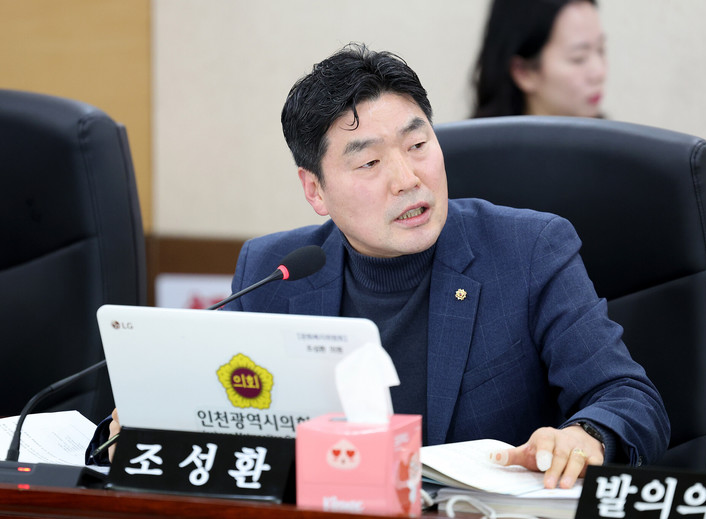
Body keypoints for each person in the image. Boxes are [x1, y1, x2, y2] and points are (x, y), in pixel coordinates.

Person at [89, 43, 669, 490]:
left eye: (418, 146)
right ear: (315, 190)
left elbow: (628, 396)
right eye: (368, 162)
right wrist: (148, 429)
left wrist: (587, 434)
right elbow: (225, 427)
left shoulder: (528, 250)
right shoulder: (273, 271)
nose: (408, 178)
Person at [473, 0, 607, 118]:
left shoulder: (613, 138)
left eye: (601, 50)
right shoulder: (476, 139)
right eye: (579, 58)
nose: (600, 73)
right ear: (523, 72)